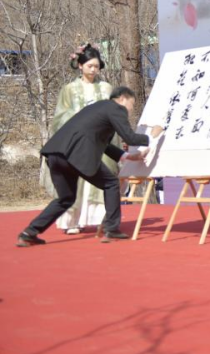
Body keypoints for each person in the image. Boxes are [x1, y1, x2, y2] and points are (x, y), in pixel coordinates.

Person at [17, 86, 163, 247]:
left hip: (55, 155)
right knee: (111, 183)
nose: (130, 109)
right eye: (132, 104)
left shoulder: (97, 109)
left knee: (66, 198)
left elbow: (104, 144)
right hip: (77, 155)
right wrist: (152, 136)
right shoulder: (116, 108)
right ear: (122, 98)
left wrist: (128, 156)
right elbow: (130, 137)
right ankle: (112, 228)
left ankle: (29, 233)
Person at [40, 44, 117, 234]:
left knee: (99, 182)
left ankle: (100, 220)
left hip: (98, 142)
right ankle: (72, 222)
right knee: (76, 182)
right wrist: (79, 116)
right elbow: (59, 116)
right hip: (76, 143)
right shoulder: (69, 89)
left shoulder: (106, 88)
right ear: (80, 65)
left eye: (96, 66)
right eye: (90, 65)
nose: (93, 69)